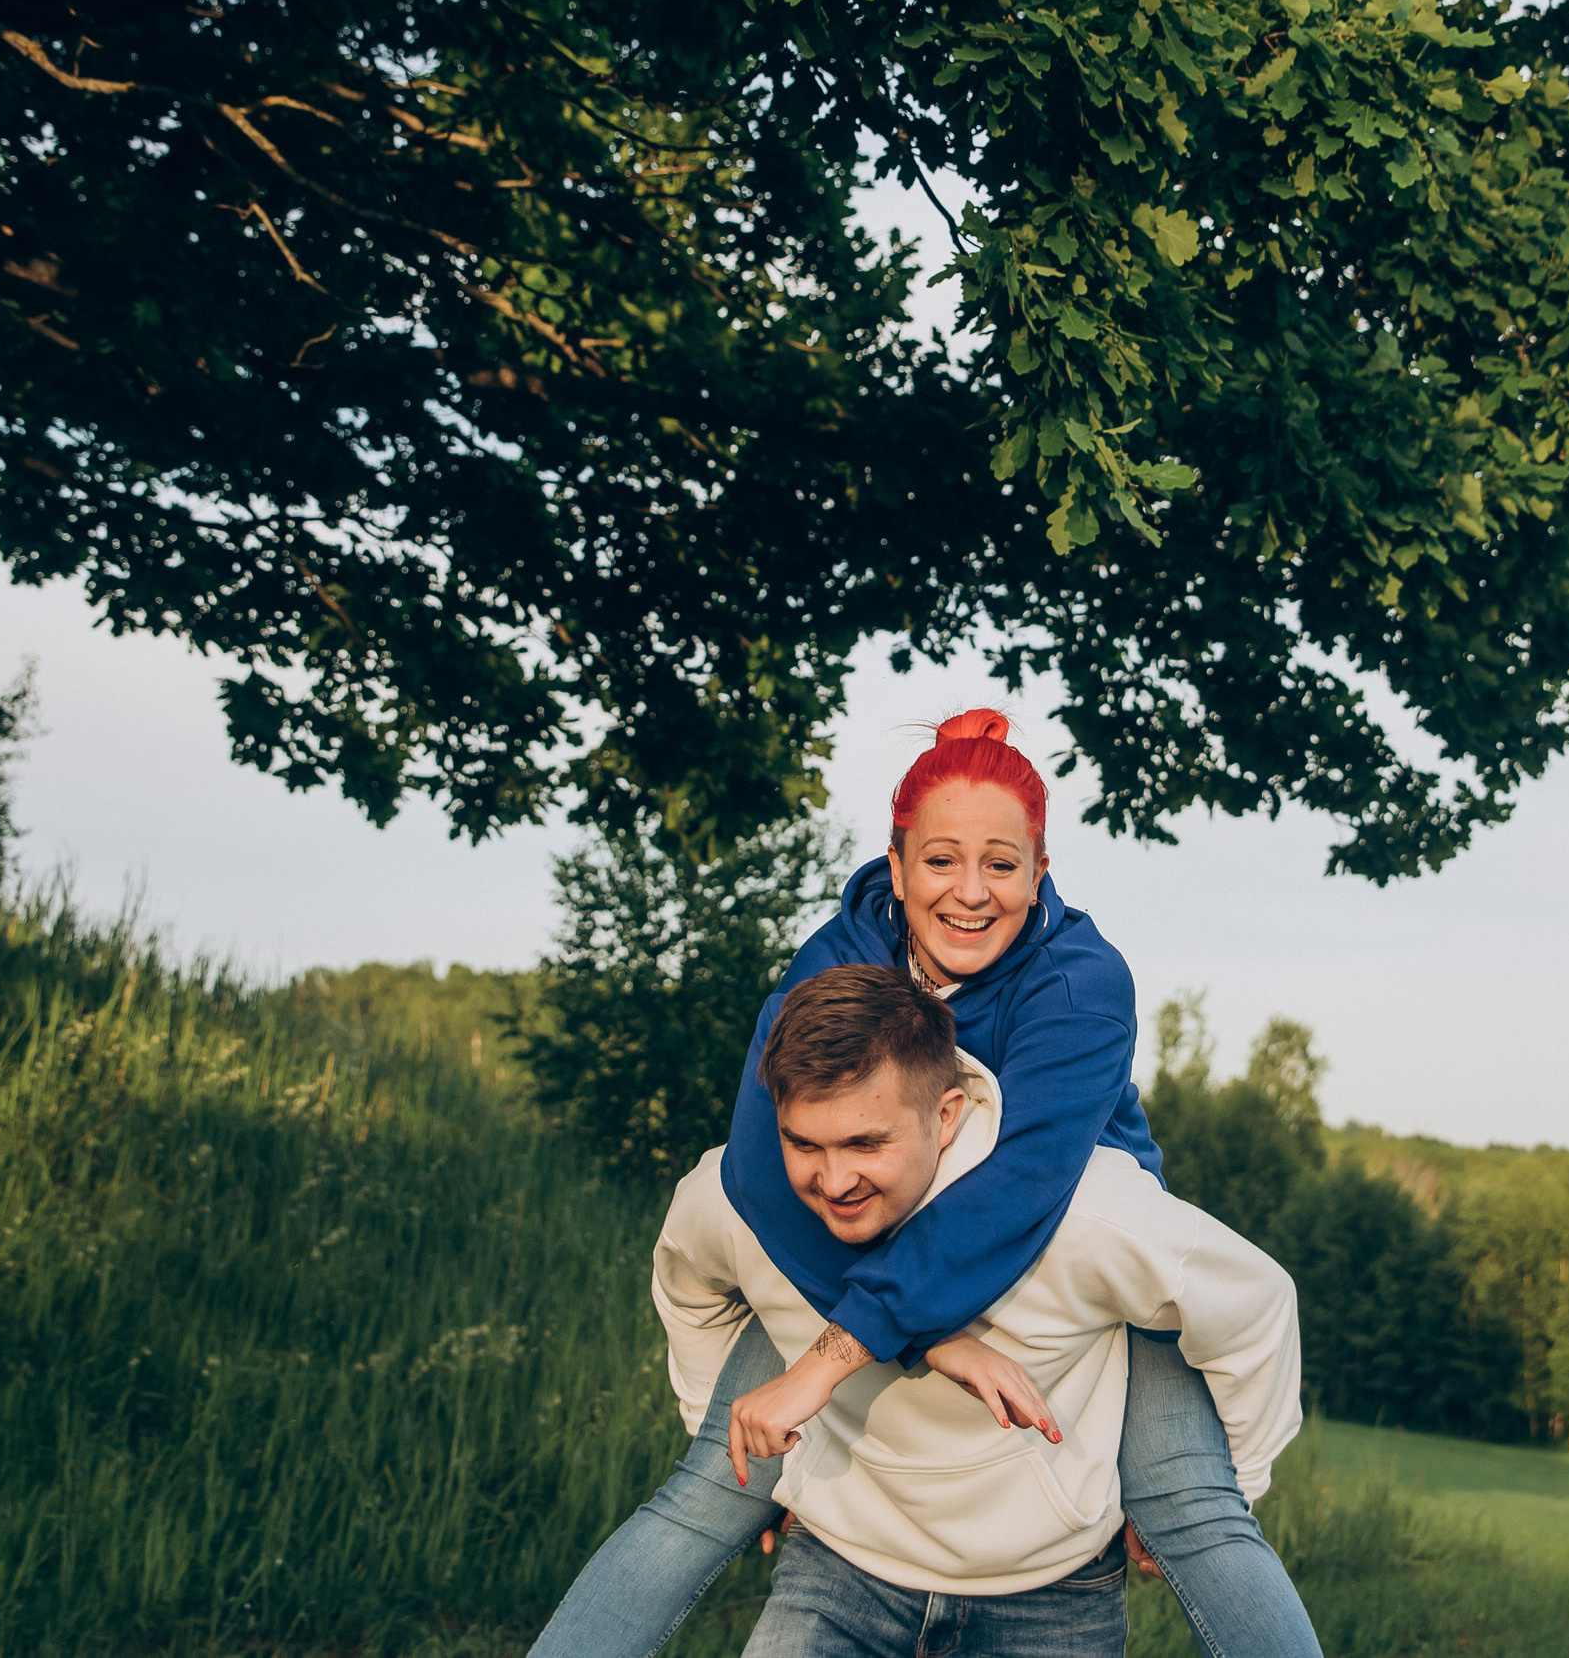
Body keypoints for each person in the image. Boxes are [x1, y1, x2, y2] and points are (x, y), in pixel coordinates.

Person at [530, 710, 1320, 1658]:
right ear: (896, 868)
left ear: (1040, 871)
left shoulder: (1079, 983)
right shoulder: (838, 959)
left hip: (1052, 1243)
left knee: (1197, 1511)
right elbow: (757, 1167)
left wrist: (838, 1355)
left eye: (1003, 864)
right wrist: (925, 1342)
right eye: (942, 861)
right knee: (710, 1488)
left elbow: (1020, 1189)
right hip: (868, 1233)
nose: (972, 893)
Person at [653, 964, 1303, 1657]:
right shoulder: (743, 1201)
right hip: (837, 1569)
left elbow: (1257, 1304)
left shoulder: (1087, 1210)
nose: (834, 1180)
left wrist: (1230, 1485)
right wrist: (735, 1453)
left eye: (866, 1144)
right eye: (804, 1143)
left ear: (945, 1115)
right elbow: (686, 1282)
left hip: (1053, 1592)